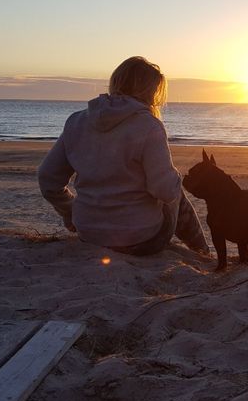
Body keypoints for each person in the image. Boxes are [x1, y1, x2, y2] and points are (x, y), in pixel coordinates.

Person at [37, 56, 208, 256]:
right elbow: (164, 190)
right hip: (142, 239)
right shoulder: (149, 126)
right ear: (151, 91)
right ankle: (203, 253)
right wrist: (174, 179)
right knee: (175, 188)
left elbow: (48, 178)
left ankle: (202, 252)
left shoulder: (77, 121)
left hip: (89, 234)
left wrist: (70, 211)